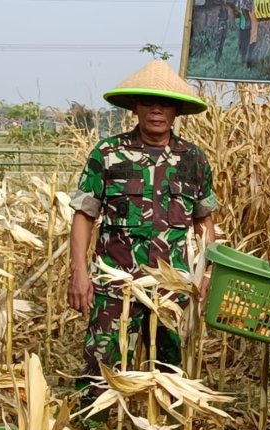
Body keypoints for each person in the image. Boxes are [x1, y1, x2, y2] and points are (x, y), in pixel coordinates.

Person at [68, 60, 217, 402]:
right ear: (135, 106)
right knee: (99, 370)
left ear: (177, 110)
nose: (156, 110)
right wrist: (79, 274)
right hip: (116, 284)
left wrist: (206, 273)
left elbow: (204, 220)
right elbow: (84, 215)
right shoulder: (108, 154)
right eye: (148, 102)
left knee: (173, 373)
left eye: (164, 103)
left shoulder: (193, 159)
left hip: (173, 286)